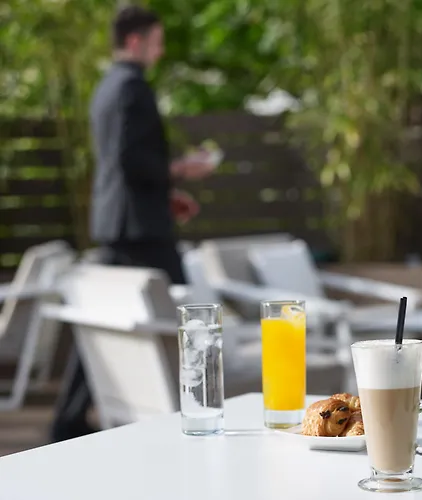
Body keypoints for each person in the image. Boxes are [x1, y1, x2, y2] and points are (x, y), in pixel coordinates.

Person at [50, 5, 211, 442]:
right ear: (136, 41)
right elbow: (131, 159)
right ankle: (193, 415)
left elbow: (122, 164)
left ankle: (67, 422)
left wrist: (165, 195)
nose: (160, 52)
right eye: (157, 42)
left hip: (123, 220)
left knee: (102, 321)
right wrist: (181, 169)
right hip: (139, 229)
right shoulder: (132, 88)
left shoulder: (107, 86)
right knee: (188, 320)